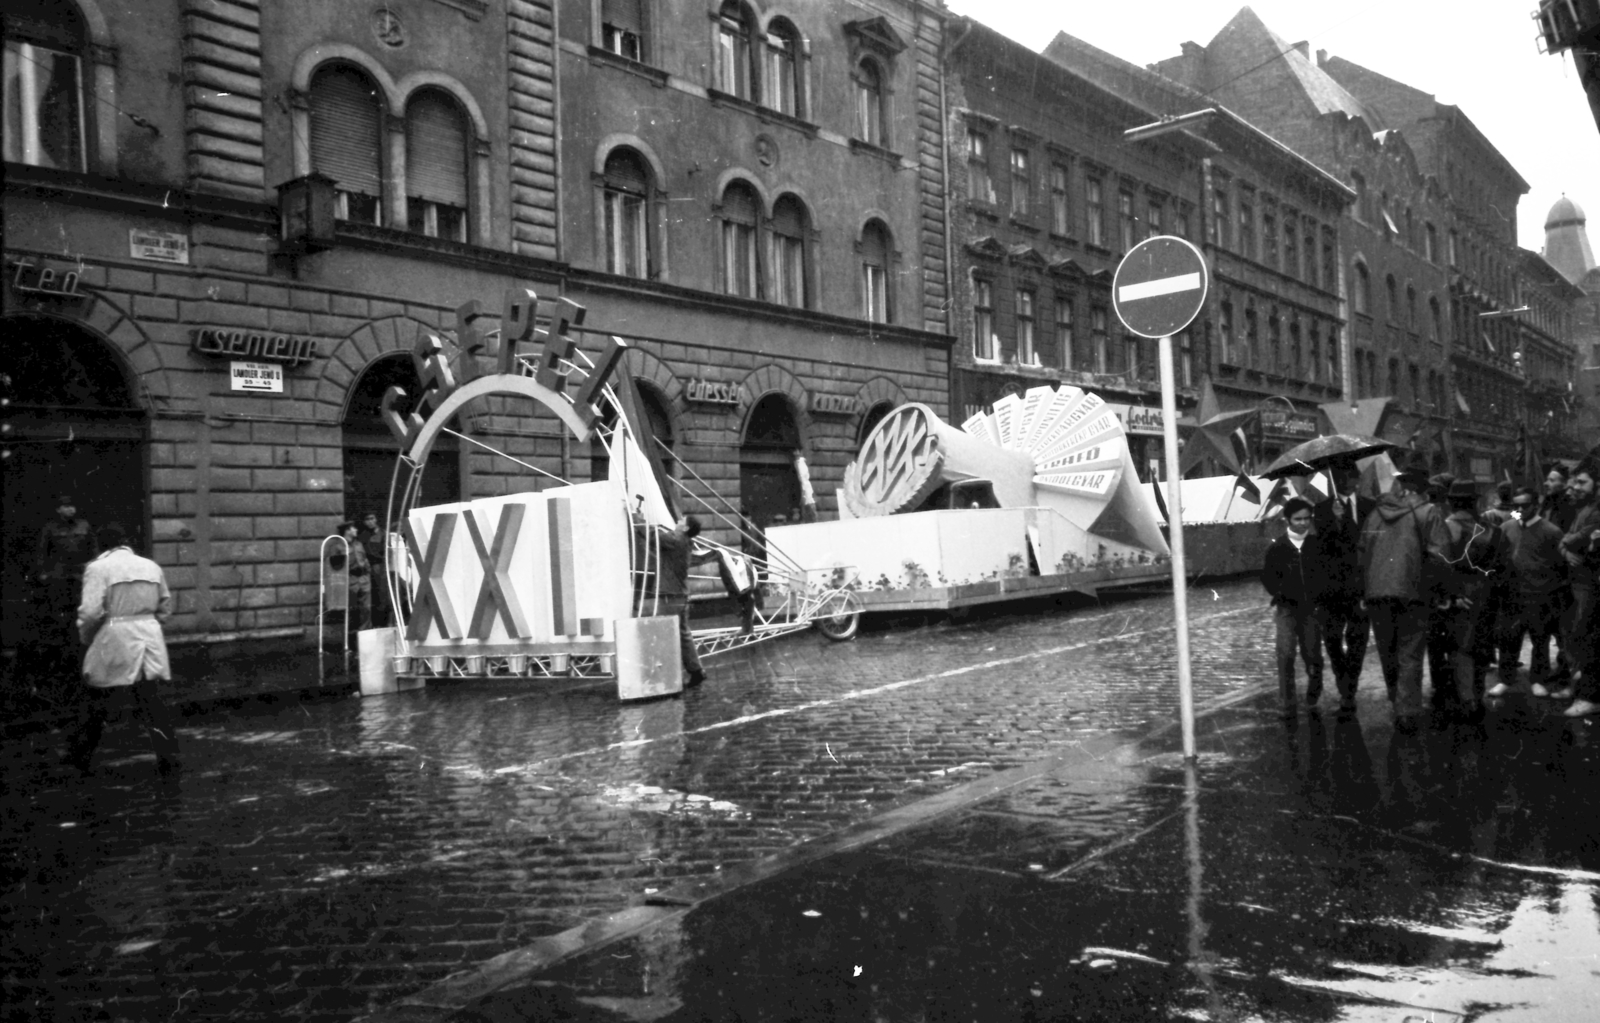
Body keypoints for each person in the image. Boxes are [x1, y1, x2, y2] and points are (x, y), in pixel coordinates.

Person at [67, 522, 178, 777]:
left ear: (100, 545)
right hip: (148, 637)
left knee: (98, 696)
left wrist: (87, 638)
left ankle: (80, 756)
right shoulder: (150, 566)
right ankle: (168, 755)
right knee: (150, 698)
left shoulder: (98, 568)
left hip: (114, 635)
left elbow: (91, 611)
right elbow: (165, 607)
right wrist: (148, 624)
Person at [1360, 456, 1451, 733]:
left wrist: (1365, 591)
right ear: (1423, 489)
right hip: (1412, 593)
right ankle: (1407, 712)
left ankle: (1395, 699)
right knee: (1410, 652)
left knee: (1388, 651)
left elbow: (1362, 555)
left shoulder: (1375, 514)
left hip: (1377, 595)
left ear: (1400, 486)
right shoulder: (1429, 512)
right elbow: (1440, 556)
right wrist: (1441, 591)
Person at [1433, 480, 1507, 721]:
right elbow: (1504, 566)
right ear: (1475, 501)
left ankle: (1468, 700)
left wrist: (1446, 596)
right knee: (1481, 646)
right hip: (1487, 592)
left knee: (1459, 648)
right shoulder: (1492, 529)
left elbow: (1437, 566)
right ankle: (1477, 694)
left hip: (1456, 594)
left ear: (1452, 502)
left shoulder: (1444, 528)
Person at [1489, 487, 1568, 698]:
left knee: (1539, 640)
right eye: (1517, 506)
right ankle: (1506, 679)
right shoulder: (1507, 527)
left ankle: (1538, 679)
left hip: (1539, 596)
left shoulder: (1551, 531)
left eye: (1525, 505)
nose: (1521, 509)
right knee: (1509, 639)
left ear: (1536, 504)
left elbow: (1560, 567)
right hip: (1512, 595)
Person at [1313, 461, 1373, 714]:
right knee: (1333, 638)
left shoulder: (1370, 507)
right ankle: (1342, 679)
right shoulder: (1322, 509)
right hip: (1332, 588)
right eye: (1339, 476)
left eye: (1349, 475)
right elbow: (1322, 548)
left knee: (1358, 638)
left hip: (1360, 586)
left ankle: (1350, 688)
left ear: (1356, 479)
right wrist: (1335, 521)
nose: (1344, 480)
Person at [1262, 498, 1326, 716]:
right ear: (1287, 520)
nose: (1303, 523)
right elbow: (1268, 577)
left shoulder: (1317, 544)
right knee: (1285, 653)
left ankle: (1315, 685)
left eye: (1307, 518)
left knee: (1312, 652)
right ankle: (1287, 703)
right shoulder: (1278, 547)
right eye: (1298, 519)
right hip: (1287, 608)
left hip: (1311, 609)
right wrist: (1280, 593)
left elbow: (1325, 574)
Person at [638, 514, 709, 687]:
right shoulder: (684, 541)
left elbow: (654, 535)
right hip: (680, 595)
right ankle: (696, 670)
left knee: (665, 635)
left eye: (681, 521)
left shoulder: (677, 538)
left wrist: (637, 518)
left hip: (669, 595)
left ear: (685, 528)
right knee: (684, 635)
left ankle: (669, 678)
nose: (677, 521)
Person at [35, 494, 98, 682]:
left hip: (80, 575)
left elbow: (93, 550)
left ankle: (80, 656)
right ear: (58, 510)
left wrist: (92, 569)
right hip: (59, 577)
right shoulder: (50, 528)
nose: (71, 509)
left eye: (72, 506)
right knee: (60, 616)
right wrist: (43, 573)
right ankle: (62, 659)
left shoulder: (84, 526)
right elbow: (41, 552)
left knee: (81, 614)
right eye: (66, 506)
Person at [1559, 463, 1600, 718]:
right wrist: (1564, 548)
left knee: (1588, 635)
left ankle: (1590, 696)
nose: (1575, 487)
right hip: (1580, 581)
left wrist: (1565, 543)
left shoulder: (1595, 511)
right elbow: (1567, 537)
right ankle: (1582, 688)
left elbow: (1576, 537)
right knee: (1578, 634)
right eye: (1575, 482)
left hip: (1591, 581)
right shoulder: (1581, 508)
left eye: (1582, 482)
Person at [357, 512, 389, 626]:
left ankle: (382, 623)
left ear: (376, 520)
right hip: (366, 569)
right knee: (369, 598)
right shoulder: (362, 536)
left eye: (372, 518)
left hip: (380, 568)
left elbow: (387, 553)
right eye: (367, 519)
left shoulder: (383, 534)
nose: (370, 521)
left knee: (382, 595)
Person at [1541, 464, 1575, 532]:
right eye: (1547, 479)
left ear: (1565, 484)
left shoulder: (1567, 507)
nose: (1545, 483)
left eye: (1551, 480)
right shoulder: (1547, 501)